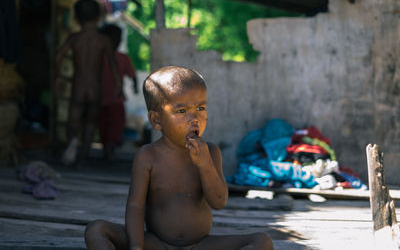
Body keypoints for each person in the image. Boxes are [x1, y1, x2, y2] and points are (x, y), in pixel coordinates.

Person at [84, 66, 273, 250]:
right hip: (157, 244)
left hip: (200, 245)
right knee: (96, 230)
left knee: (262, 241)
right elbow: (135, 206)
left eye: (200, 107)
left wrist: (205, 164)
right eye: (182, 111)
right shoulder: (148, 156)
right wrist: (136, 246)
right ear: (156, 120)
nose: (194, 118)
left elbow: (219, 201)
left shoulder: (211, 152)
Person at [55, 0, 121, 166]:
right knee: (91, 123)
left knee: (73, 119)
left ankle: (72, 143)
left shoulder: (74, 38)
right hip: (95, 88)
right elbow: (113, 64)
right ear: (99, 17)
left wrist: (59, 77)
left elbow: (58, 56)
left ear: (76, 19)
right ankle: (83, 156)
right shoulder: (104, 40)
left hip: (78, 86)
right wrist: (118, 85)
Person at [98, 24, 138, 161]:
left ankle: (110, 145)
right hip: (100, 98)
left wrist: (136, 85)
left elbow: (132, 74)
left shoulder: (123, 58)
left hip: (115, 98)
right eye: (113, 39)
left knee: (116, 123)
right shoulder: (98, 57)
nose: (116, 42)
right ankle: (107, 146)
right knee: (103, 124)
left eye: (118, 39)